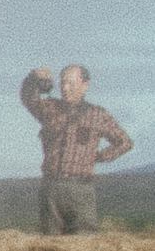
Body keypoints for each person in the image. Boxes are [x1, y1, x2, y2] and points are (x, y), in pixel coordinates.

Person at [21, 62, 132, 235]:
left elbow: (124, 142)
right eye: (62, 83)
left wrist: (98, 156)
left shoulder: (97, 115)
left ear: (85, 85)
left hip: (81, 189)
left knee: (83, 245)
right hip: (51, 188)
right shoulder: (50, 109)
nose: (65, 88)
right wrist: (33, 79)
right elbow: (29, 98)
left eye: (71, 83)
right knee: (50, 247)